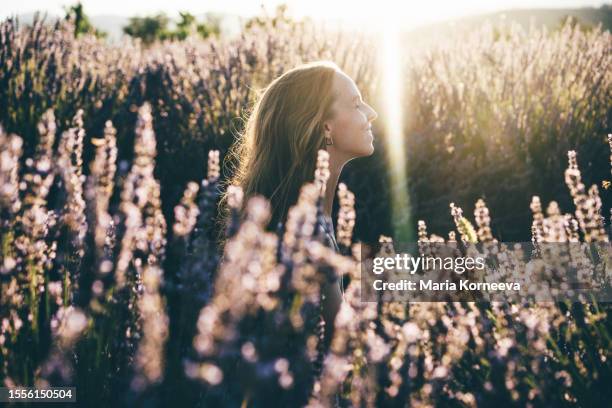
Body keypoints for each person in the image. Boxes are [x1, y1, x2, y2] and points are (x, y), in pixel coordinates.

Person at [220, 60, 378, 347]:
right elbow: (332, 352)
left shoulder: (315, 220)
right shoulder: (305, 238)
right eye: (356, 104)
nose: (371, 113)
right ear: (325, 127)